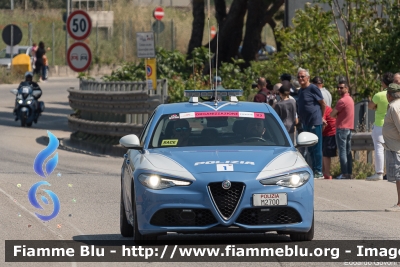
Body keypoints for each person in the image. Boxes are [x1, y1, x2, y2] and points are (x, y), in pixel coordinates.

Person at [296, 67, 326, 179]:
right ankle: (313, 170)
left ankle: (319, 171)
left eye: (302, 76)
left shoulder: (313, 88)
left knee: (317, 147)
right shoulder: (300, 91)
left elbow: (323, 104)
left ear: (308, 77)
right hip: (306, 122)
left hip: (315, 121)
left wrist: (322, 117)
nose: (300, 78)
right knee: (309, 148)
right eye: (299, 77)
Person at [366, 72, 393, 181]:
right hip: (393, 125)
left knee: (379, 148)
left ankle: (379, 172)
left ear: (383, 83)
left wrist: (377, 108)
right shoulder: (396, 95)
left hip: (380, 125)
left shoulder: (379, 95)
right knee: (392, 150)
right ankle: (392, 173)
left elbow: (370, 106)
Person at [381, 83, 400, 211]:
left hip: (396, 147)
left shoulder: (394, 107)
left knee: (399, 176)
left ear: (389, 95)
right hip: (394, 146)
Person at [330, 81, 355, 179]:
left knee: (342, 152)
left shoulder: (342, 101)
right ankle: (349, 172)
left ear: (346, 88)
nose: (339, 89)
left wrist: (337, 115)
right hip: (349, 128)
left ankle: (344, 173)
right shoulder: (350, 99)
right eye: (338, 87)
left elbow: (332, 114)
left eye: (341, 88)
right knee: (348, 152)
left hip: (341, 128)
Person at [322, 105, 337, 179]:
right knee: (324, 153)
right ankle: (324, 172)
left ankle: (327, 173)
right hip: (330, 132)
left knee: (326, 153)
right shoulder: (327, 108)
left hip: (329, 133)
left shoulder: (323, 109)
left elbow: (324, 124)